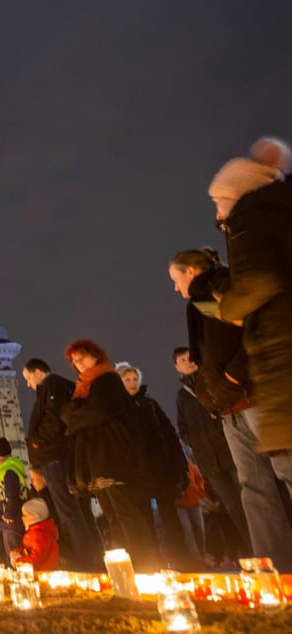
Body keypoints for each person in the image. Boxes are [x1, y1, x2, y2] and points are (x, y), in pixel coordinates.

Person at [169, 248, 292, 569]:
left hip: (255, 398)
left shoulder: (219, 288)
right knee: (254, 488)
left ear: (191, 272)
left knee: (285, 474)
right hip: (229, 408)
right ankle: (276, 566)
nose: (174, 287)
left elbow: (250, 332)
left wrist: (233, 376)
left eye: (175, 279)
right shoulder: (200, 303)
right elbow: (215, 347)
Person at [212, 138, 292, 457]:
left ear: (235, 194)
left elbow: (260, 280)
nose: (218, 215)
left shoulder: (250, 212)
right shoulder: (280, 210)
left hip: (282, 346)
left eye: (218, 202)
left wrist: (227, 307)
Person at [61, 339, 158, 572]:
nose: (78, 363)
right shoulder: (85, 386)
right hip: (98, 459)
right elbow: (74, 413)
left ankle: (145, 567)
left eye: (81, 356)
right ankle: (127, 570)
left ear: (95, 355)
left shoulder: (108, 380)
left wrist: (73, 416)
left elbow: (95, 412)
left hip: (112, 458)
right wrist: (74, 415)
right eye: (74, 361)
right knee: (113, 517)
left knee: (126, 514)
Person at [23, 358, 104, 571]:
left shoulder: (53, 386)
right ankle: (95, 560)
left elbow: (54, 417)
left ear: (39, 372)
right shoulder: (62, 386)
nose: (28, 384)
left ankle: (85, 564)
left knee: (69, 511)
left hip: (54, 457)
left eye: (28, 378)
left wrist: (37, 441)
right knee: (80, 510)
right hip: (62, 455)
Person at [115, 362, 196, 570]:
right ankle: (153, 564)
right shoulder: (116, 409)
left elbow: (170, 433)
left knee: (171, 520)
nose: (132, 383)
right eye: (127, 380)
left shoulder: (149, 403)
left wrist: (180, 466)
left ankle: (182, 561)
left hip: (161, 470)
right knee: (145, 522)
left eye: (135, 379)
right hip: (137, 473)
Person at [171, 346, 250, 554]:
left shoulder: (210, 383)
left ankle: (270, 547)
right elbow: (183, 428)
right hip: (209, 462)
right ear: (176, 367)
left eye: (189, 357)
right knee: (232, 508)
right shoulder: (182, 396)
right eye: (181, 360)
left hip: (231, 452)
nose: (187, 361)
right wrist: (196, 443)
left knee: (251, 500)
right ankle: (251, 550)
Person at [0, 438, 27, 563]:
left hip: (10, 520)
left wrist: (9, 513)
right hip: (6, 519)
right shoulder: (4, 469)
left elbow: (12, 493)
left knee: (14, 552)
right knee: (9, 552)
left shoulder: (8, 469)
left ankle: (20, 577)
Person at [11, 498, 59, 571]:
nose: (22, 518)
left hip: (42, 572)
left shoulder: (40, 535)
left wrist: (19, 562)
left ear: (35, 516)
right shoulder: (35, 532)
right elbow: (29, 550)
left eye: (25, 515)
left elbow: (36, 558)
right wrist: (18, 552)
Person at [177, 457, 208, 567]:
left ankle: (201, 558)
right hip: (180, 502)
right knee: (189, 531)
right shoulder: (186, 462)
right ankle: (197, 560)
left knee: (198, 530)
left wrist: (199, 492)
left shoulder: (188, 463)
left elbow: (199, 479)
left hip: (193, 500)